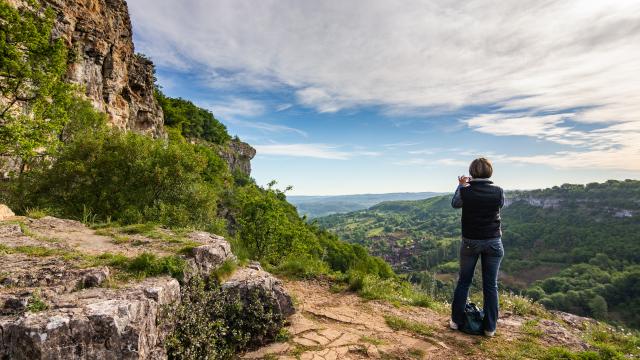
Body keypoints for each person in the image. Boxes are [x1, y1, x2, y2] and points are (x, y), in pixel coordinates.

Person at [449, 157, 505, 337]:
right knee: (491, 286)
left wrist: (461, 186)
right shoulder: (498, 191)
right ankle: (490, 328)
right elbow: (500, 205)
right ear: (490, 172)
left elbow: (455, 204)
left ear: (472, 173)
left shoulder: (466, 191)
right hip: (493, 241)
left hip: (470, 242)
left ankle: (456, 322)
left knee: (464, 282)